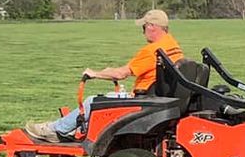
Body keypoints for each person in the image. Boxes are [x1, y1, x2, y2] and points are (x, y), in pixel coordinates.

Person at [27, 10, 183, 141]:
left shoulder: (152, 50)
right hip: (155, 98)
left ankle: (56, 130)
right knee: (110, 97)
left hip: (145, 101)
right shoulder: (174, 46)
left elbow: (122, 73)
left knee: (92, 102)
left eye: (143, 27)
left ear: (152, 27)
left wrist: (95, 73)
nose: (143, 31)